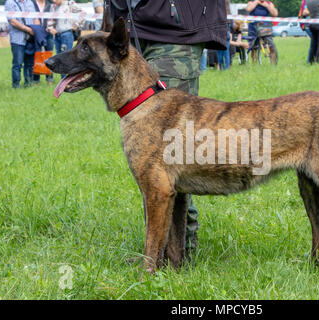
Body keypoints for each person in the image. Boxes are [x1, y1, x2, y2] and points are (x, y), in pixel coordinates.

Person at [108, 0, 227, 253]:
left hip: (175, 29)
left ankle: (177, 250)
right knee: (153, 156)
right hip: (133, 25)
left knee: (166, 156)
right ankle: (162, 252)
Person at [4, 0, 39, 88]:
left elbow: (35, 18)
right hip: (17, 39)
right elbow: (12, 21)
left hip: (30, 38)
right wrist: (29, 30)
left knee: (30, 63)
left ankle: (29, 83)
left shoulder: (30, 2)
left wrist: (36, 30)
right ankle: (16, 85)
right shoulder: (10, 2)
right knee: (18, 64)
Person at [47, 0, 84, 74]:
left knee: (67, 58)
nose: (53, 1)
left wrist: (76, 25)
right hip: (57, 35)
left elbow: (82, 14)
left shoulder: (70, 3)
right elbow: (50, 19)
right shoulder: (53, 6)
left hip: (67, 34)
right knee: (59, 58)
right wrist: (51, 28)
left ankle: (68, 78)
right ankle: (63, 80)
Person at [32, 0, 54, 85]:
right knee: (37, 57)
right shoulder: (32, 3)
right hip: (36, 33)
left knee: (49, 56)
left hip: (48, 34)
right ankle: (35, 81)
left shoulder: (50, 4)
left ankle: (49, 80)